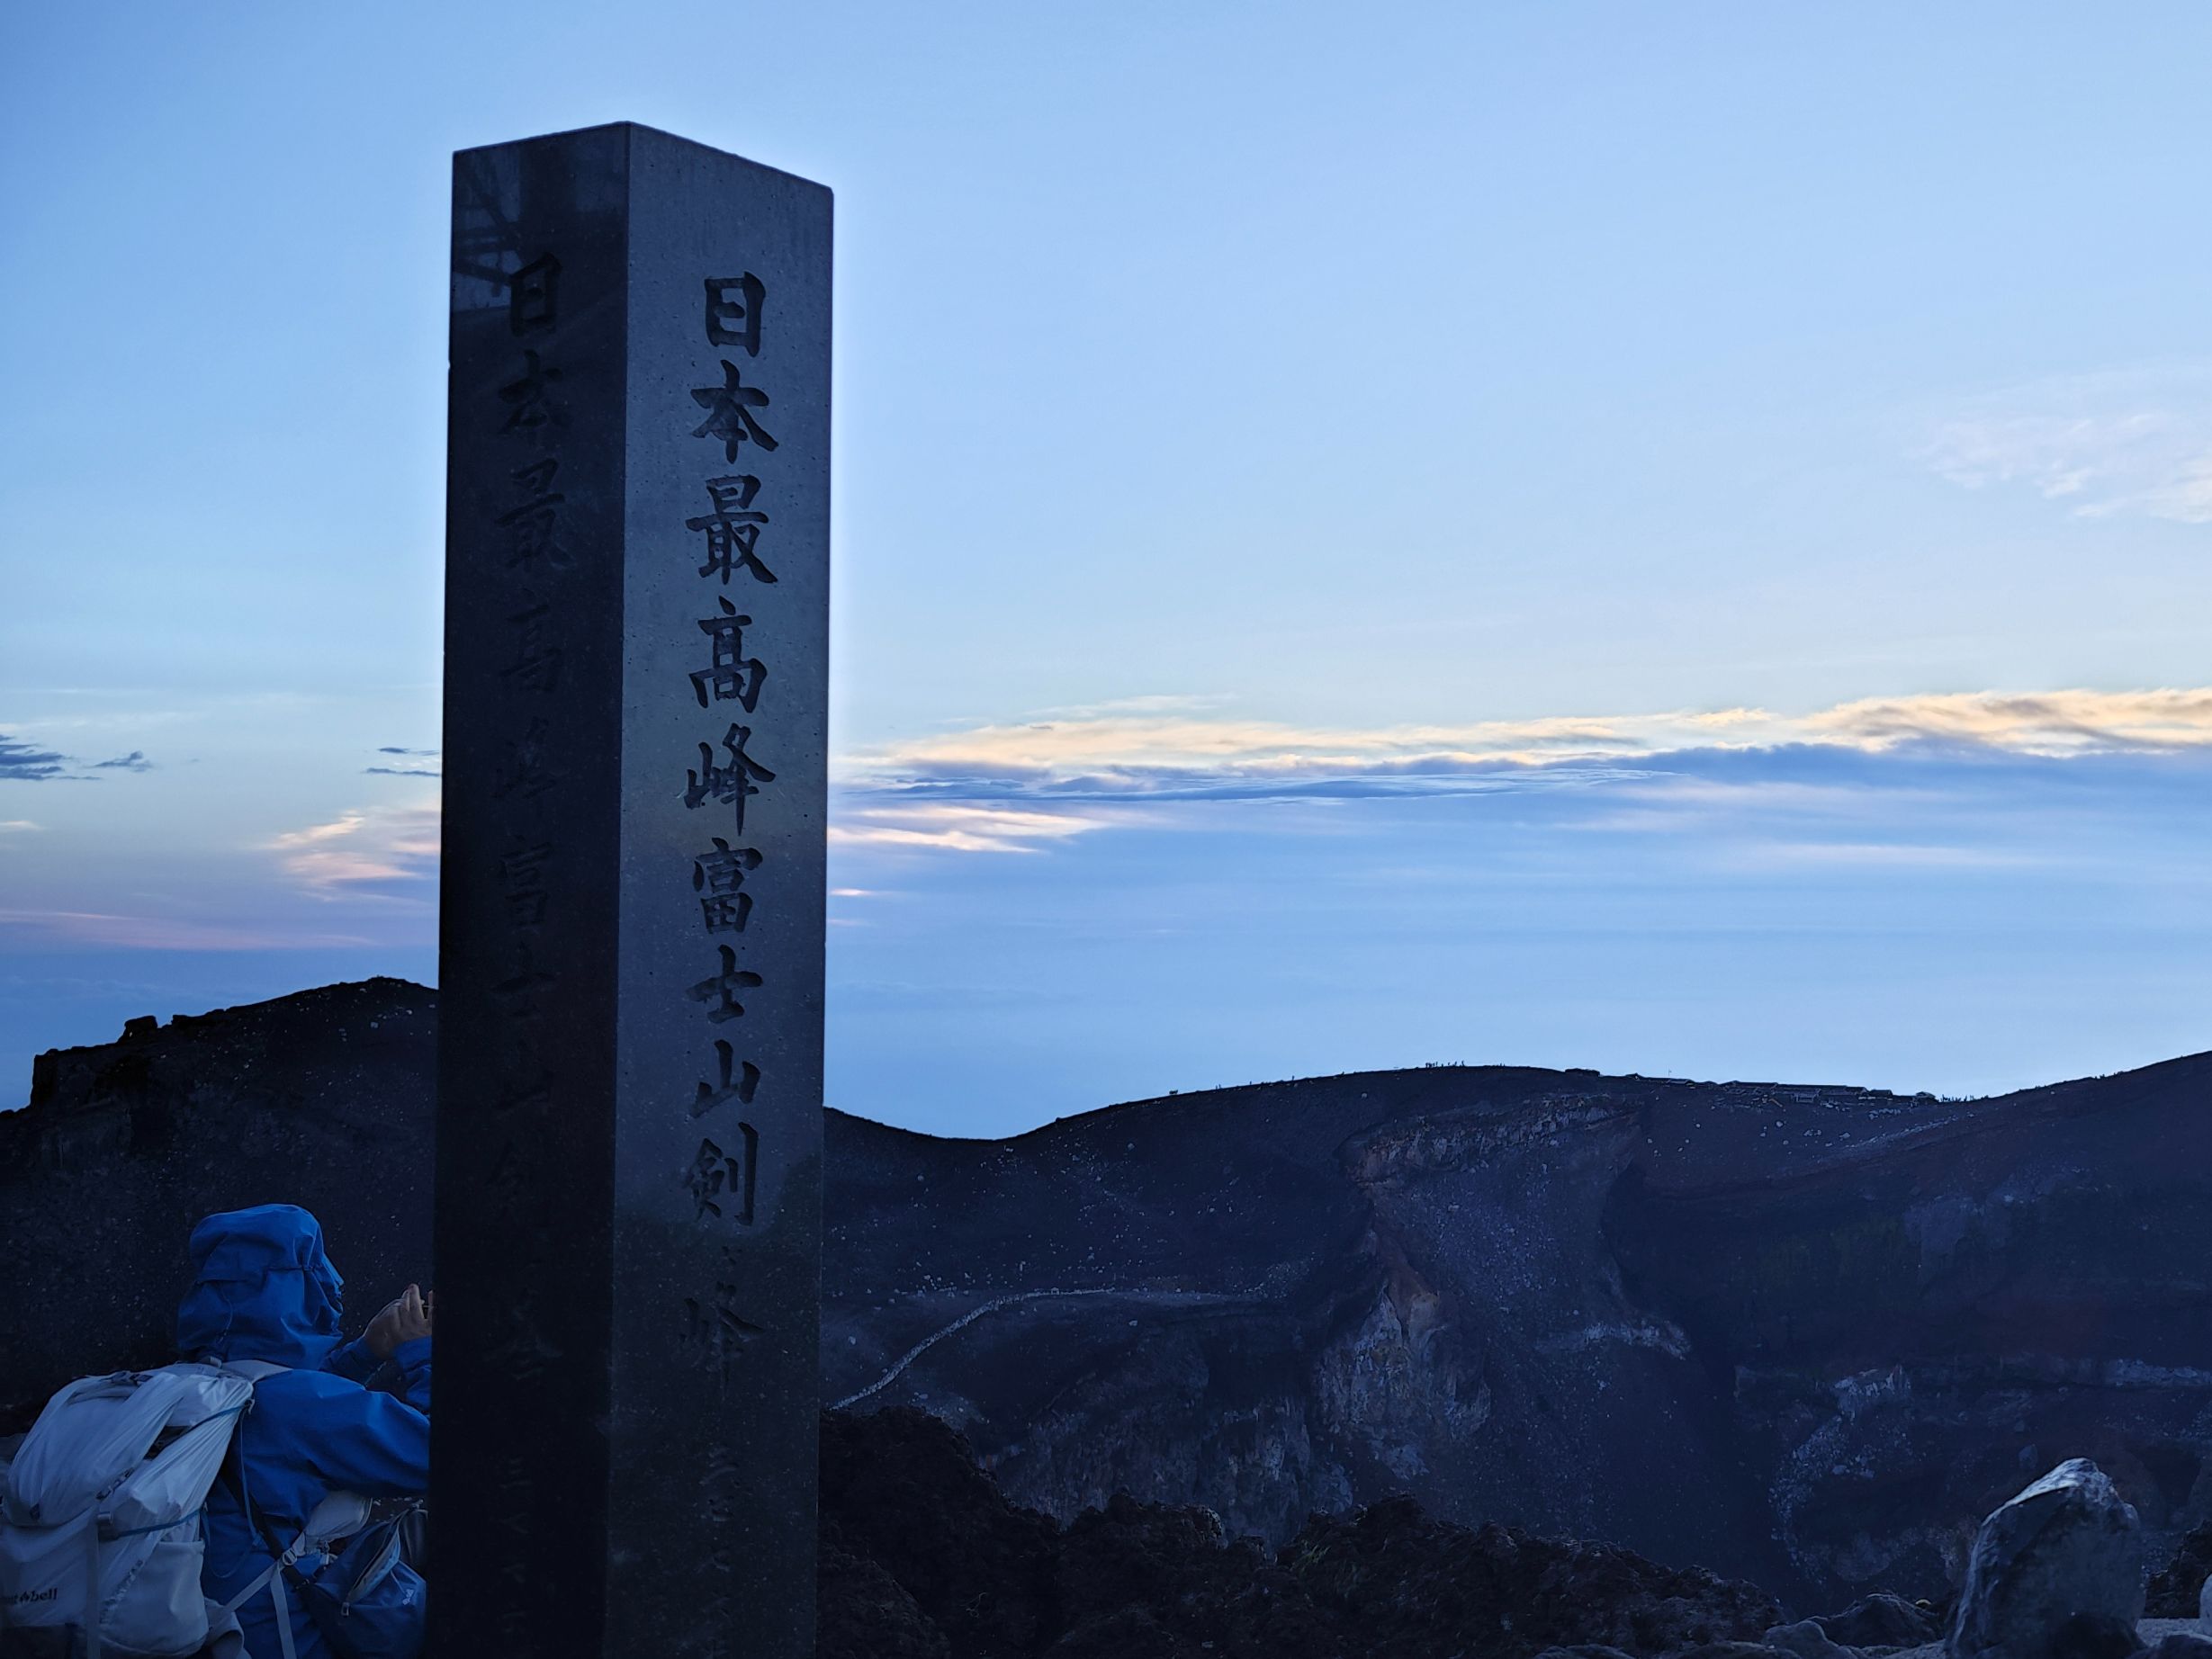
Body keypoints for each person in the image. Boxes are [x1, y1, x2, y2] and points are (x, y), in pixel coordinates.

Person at [175, 1205, 432, 1659]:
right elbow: (437, 1454)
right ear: (301, 1289)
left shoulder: (189, 1385)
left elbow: (291, 1415)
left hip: (210, 1633)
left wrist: (366, 1353)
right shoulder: (298, 1405)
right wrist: (422, 1355)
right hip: (288, 1643)